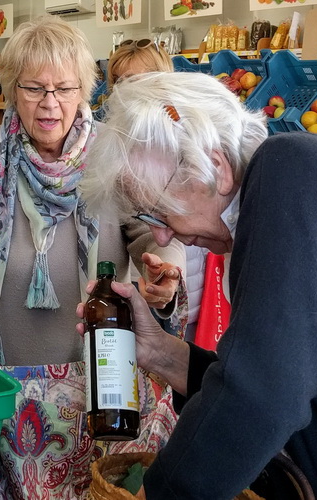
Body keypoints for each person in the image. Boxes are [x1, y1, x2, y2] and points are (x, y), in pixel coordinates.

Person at [79, 71, 317, 498]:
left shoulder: (287, 171)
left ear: (215, 168)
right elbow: (273, 378)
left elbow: (261, 396)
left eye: (160, 214)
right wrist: (158, 351)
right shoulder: (276, 194)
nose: (162, 236)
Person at [0, 16, 167, 367]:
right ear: (13, 89)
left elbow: (151, 228)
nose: (50, 102)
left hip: (97, 376)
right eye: (34, 88)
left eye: (64, 88)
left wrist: (165, 267)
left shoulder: (113, 152)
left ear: (83, 90)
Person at [108, 40, 226, 344]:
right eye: (121, 83)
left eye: (142, 81)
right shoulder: (116, 154)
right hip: (157, 294)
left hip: (201, 292)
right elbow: (141, 231)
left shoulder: (194, 136)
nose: (130, 93)